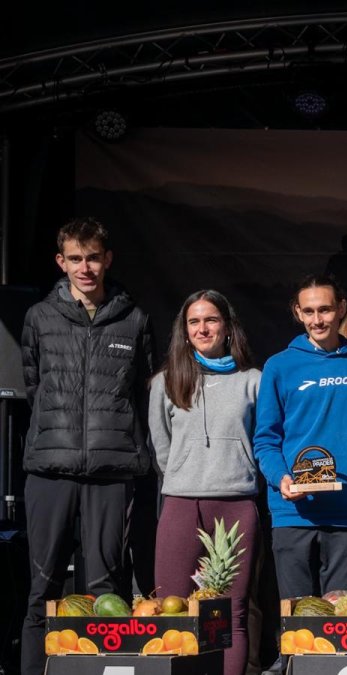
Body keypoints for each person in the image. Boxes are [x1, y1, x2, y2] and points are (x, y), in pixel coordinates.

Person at [19, 218, 155, 675]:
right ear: (61, 262)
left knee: (106, 592)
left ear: (107, 259)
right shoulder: (39, 317)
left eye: (93, 257)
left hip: (112, 472)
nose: (85, 267)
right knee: (43, 588)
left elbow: (141, 393)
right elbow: (34, 385)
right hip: (49, 471)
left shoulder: (135, 319)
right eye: (75, 258)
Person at [148, 290, 259, 675]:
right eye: (194, 321)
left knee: (230, 612)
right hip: (181, 502)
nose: (202, 328)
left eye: (211, 319)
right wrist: (187, 470)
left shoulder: (253, 381)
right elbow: (161, 447)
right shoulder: (165, 382)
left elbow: (263, 440)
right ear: (184, 330)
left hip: (235, 504)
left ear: (227, 327)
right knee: (172, 606)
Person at [254, 275, 347, 601]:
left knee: (339, 619)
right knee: (295, 617)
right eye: (309, 311)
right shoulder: (279, 366)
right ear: (298, 313)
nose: (317, 319)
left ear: (341, 309)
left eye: (324, 309)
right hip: (292, 510)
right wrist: (281, 478)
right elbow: (266, 438)